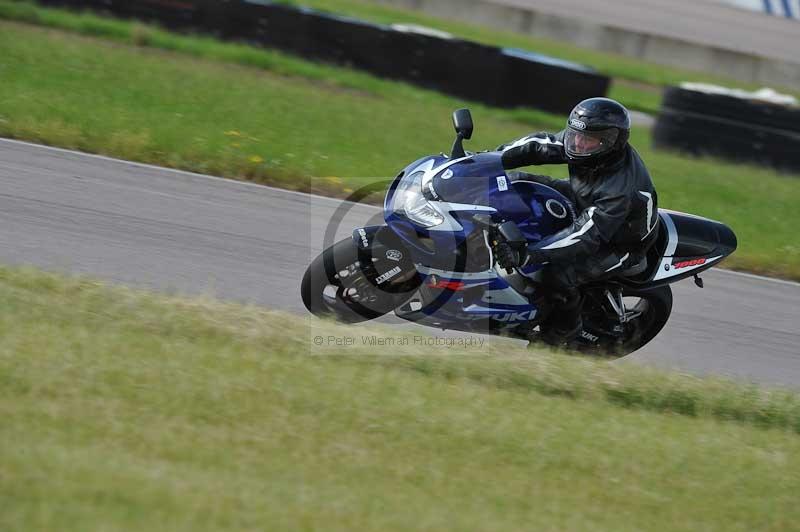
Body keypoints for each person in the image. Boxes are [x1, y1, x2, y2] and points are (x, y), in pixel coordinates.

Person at [493, 97, 659, 345]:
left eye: (587, 140)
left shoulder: (620, 188)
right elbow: (537, 145)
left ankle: (561, 333)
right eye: (575, 135)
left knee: (554, 275)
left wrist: (529, 254)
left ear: (610, 142)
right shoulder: (583, 143)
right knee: (517, 182)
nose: (578, 144)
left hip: (619, 242)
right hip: (585, 200)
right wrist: (485, 161)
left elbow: (586, 235)